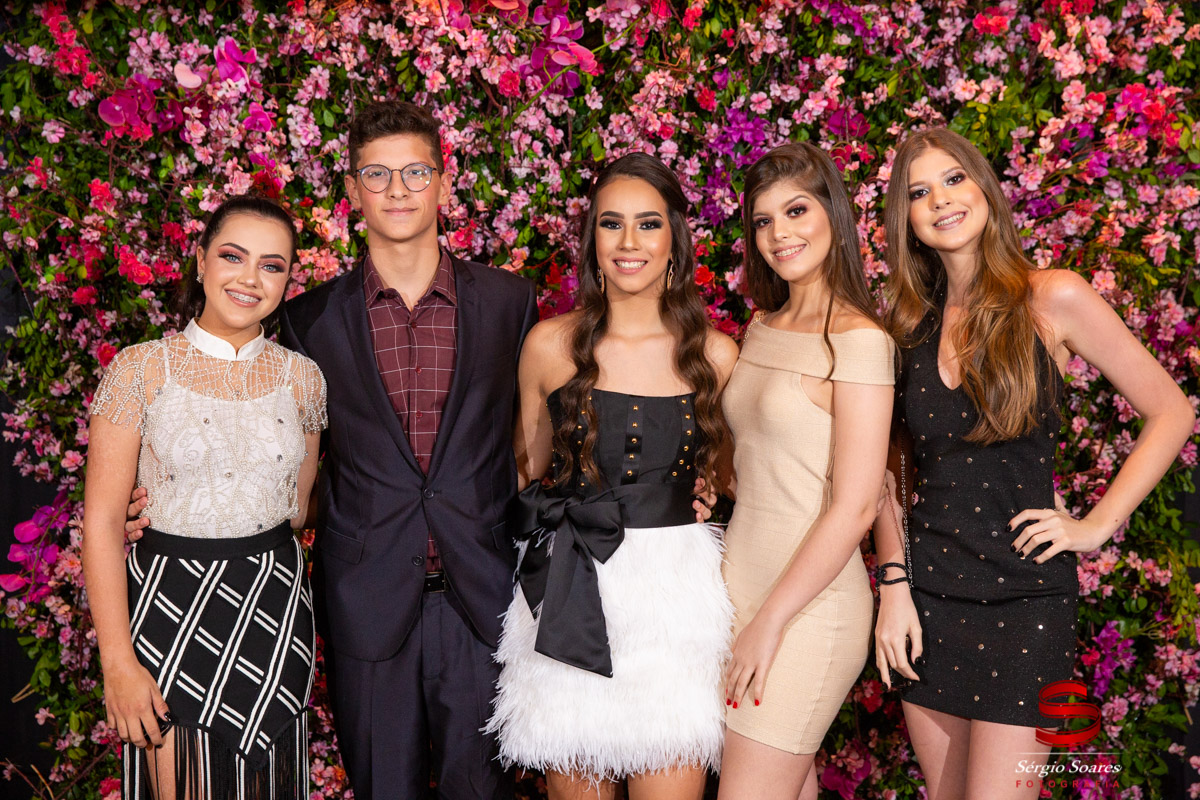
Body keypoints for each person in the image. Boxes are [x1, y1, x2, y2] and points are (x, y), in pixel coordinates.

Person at [125, 100, 537, 799]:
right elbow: (276, 452)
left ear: (443, 181)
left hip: (482, 595)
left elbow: (533, 444)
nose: (397, 190)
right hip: (365, 598)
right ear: (351, 190)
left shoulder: (511, 303)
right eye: (377, 174)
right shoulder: (306, 319)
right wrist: (166, 501)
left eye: (415, 172)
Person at [872, 127, 1195, 800]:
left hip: (1026, 599)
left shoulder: (1053, 297)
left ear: (985, 188)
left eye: (954, 179)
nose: (941, 200)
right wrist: (894, 586)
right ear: (906, 218)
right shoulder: (906, 324)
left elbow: (1172, 411)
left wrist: (1096, 525)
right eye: (919, 192)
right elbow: (890, 471)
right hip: (929, 601)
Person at [485, 152, 739, 800]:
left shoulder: (716, 354)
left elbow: (733, 478)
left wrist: (711, 490)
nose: (629, 242)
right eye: (611, 223)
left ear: (675, 240)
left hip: (676, 606)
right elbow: (527, 474)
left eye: (648, 224)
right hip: (570, 588)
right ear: (591, 240)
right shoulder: (549, 345)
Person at [83, 195, 326, 799]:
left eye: (272, 265)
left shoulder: (303, 379)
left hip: (275, 615)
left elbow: (297, 510)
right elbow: (102, 523)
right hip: (168, 611)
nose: (250, 278)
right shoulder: (140, 369)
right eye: (233, 256)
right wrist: (118, 663)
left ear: (287, 280)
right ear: (199, 260)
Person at [716, 143, 896, 800]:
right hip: (738, 592)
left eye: (795, 211)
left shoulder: (860, 341)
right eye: (763, 221)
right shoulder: (763, 326)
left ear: (832, 215)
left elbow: (856, 506)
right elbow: (757, 463)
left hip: (805, 613)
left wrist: (770, 622)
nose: (779, 234)